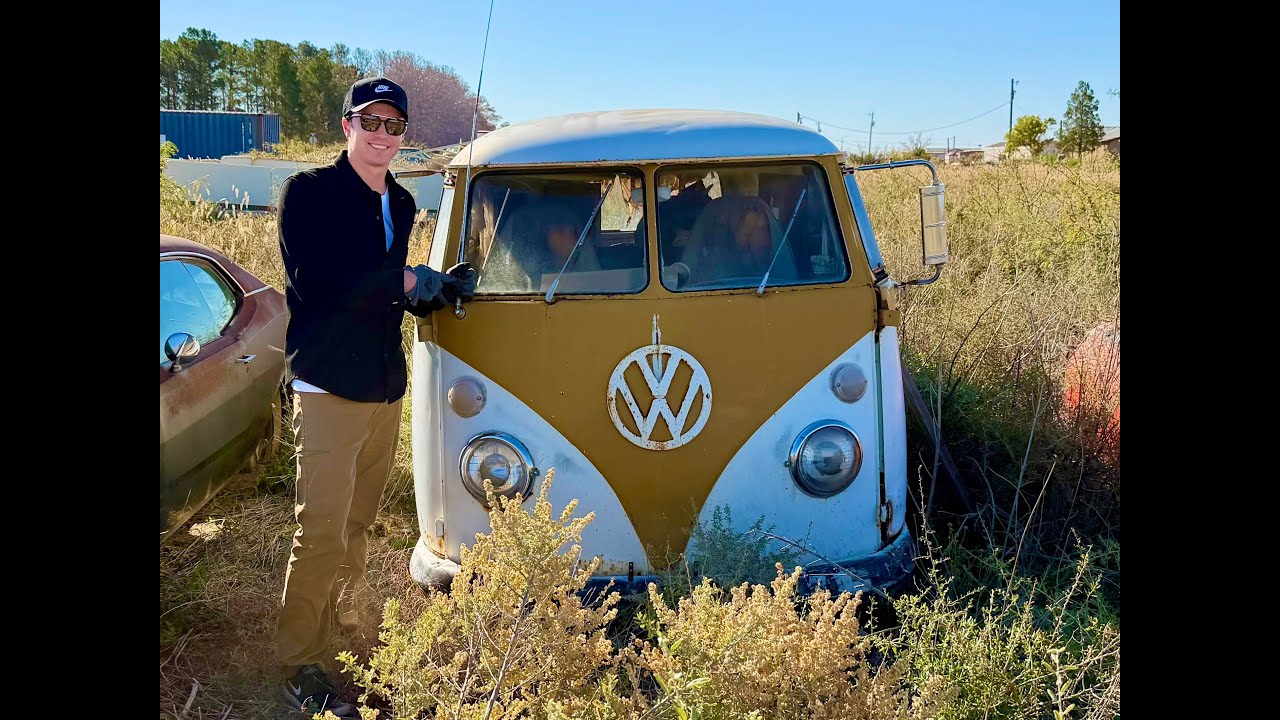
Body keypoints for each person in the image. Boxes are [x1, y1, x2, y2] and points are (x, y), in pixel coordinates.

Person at [275, 76, 476, 718]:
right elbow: (314, 281)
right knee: (321, 531)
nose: (381, 135)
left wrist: (431, 289)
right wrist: (402, 279)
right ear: (347, 126)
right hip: (328, 385)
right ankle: (298, 658)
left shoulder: (404, 203)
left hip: (385, 386)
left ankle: (346, 637)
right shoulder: (307, 194)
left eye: (393, 126)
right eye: (371, 122)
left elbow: (387, 293)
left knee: (359, 526)